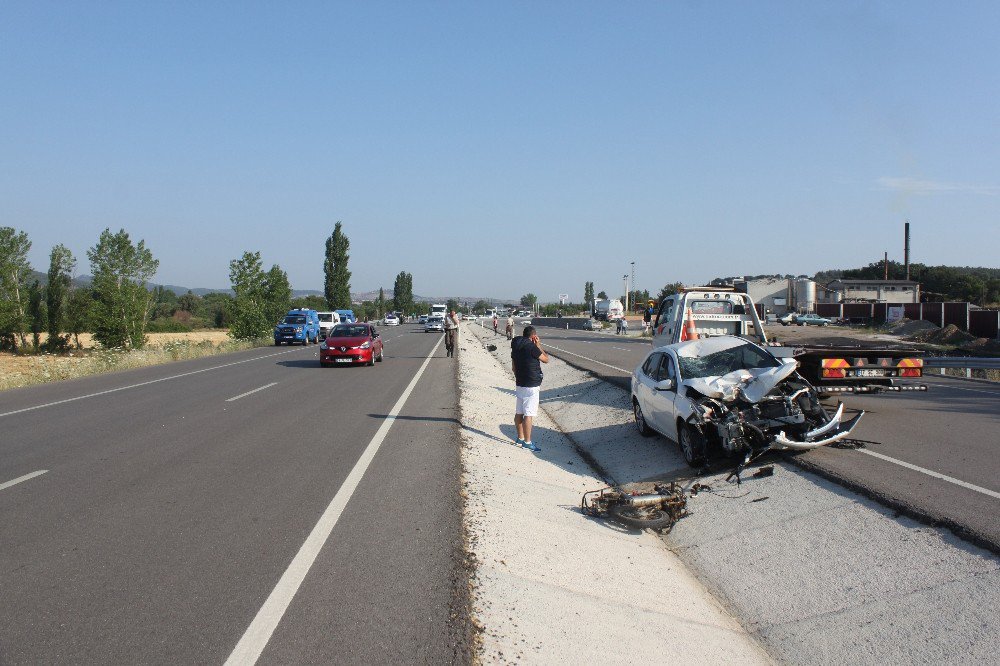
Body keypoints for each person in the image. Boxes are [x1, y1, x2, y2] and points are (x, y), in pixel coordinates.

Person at [511, 325, 549, 452]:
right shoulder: (532, 347)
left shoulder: (515, 345)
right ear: (533, 336)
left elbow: (513, 367)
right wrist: (538, 345)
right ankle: (528, 442)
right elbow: (546, 359)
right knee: (529, 415)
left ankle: (520, 438)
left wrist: (518, 377)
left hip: (520, 383)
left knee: (519, 412)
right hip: (531, 385)